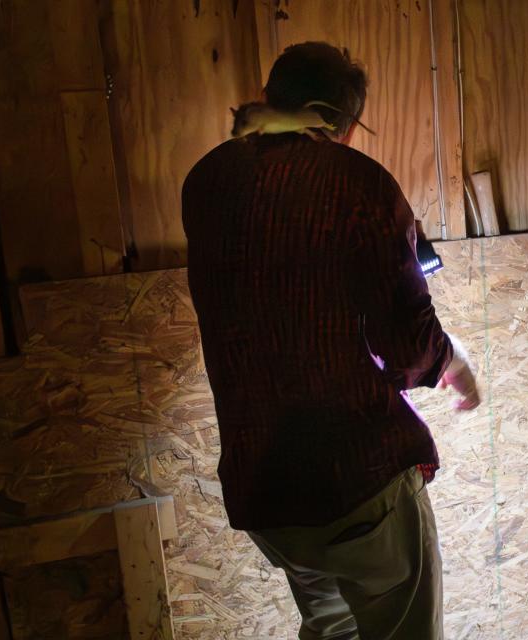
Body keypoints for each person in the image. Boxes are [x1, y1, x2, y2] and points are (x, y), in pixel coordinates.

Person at [182, 41, 479, 640]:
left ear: (269, 98)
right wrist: (452, 360)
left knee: (328, 630)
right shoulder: (356, 184)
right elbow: (405, 344)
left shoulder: (206, 179)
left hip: (266, 488)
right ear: (343, 123)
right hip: (354, 483)